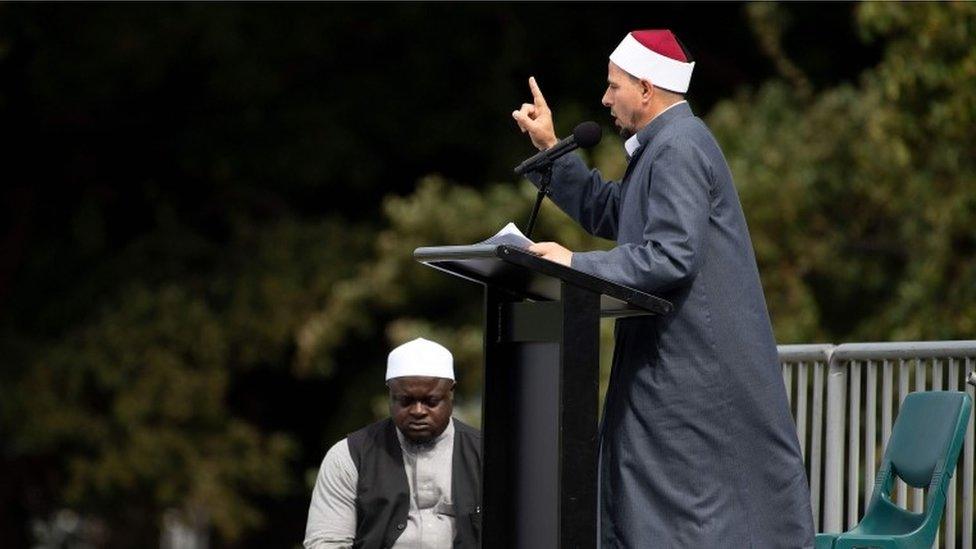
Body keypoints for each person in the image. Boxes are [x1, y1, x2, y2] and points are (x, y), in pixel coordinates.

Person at [512, 29, 814, 547]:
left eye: (613, 86)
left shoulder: (678, 146)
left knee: (687, 520)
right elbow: (613, 212)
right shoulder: (664, 146)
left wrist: (574, 262)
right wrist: (551, 150)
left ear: (647, 89)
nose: (605, 99)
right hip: (676, 364)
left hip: (692, 372)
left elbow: (671, 255)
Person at [303, 338, 482, 549]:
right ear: (390, 394)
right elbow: (326, 542)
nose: (418, 411)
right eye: (405, 401)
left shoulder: (487, 453)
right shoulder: (349, 455)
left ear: (451, 393)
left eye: (431, 401)